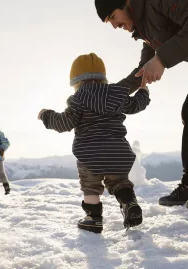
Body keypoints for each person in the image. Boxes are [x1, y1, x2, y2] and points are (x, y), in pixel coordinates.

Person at [94, 0, 188, 210]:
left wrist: (161, 59)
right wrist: (110, 95)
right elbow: (142, 71)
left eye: (113, 17)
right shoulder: (145, 28)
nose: (115, 26)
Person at [38, 53, 150, 233]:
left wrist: (46, 115)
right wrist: (143, 91)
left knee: (91, 187)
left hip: (90, 154)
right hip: (118, 151)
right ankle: (130, 205)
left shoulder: (77, 99)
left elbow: (64, 123)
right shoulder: (117, 94)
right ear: (103, 78)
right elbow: (136, 105)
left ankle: (93, 219)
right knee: (120, 182)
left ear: (75, 82)